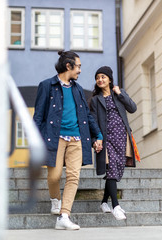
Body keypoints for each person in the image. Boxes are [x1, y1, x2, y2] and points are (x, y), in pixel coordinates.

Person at [33, 51, 103, 230]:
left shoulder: (77, 88)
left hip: (77, 138)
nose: (80, 70)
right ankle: (55, 199)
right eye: (78, 66)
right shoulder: (47, 85)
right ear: (68, 66)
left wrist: (98, 135)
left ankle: (64, 216)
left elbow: (86, 115)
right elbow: (38, 116)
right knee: (54, 175)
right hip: (54, 138)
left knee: (73, 177)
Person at [89, 66, 137, 220]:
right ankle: (116, 206)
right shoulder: (95, 100)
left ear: (110, 79)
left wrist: (120, 94)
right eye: (98, 78)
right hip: (106, 139)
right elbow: (93, 122)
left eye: (103, 77)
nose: (100, 80)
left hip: (122, 138)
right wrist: (96, 140)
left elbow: (133, 108)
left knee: (116, 171)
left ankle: (104, 201)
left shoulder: (120, 94)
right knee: (111, 171)